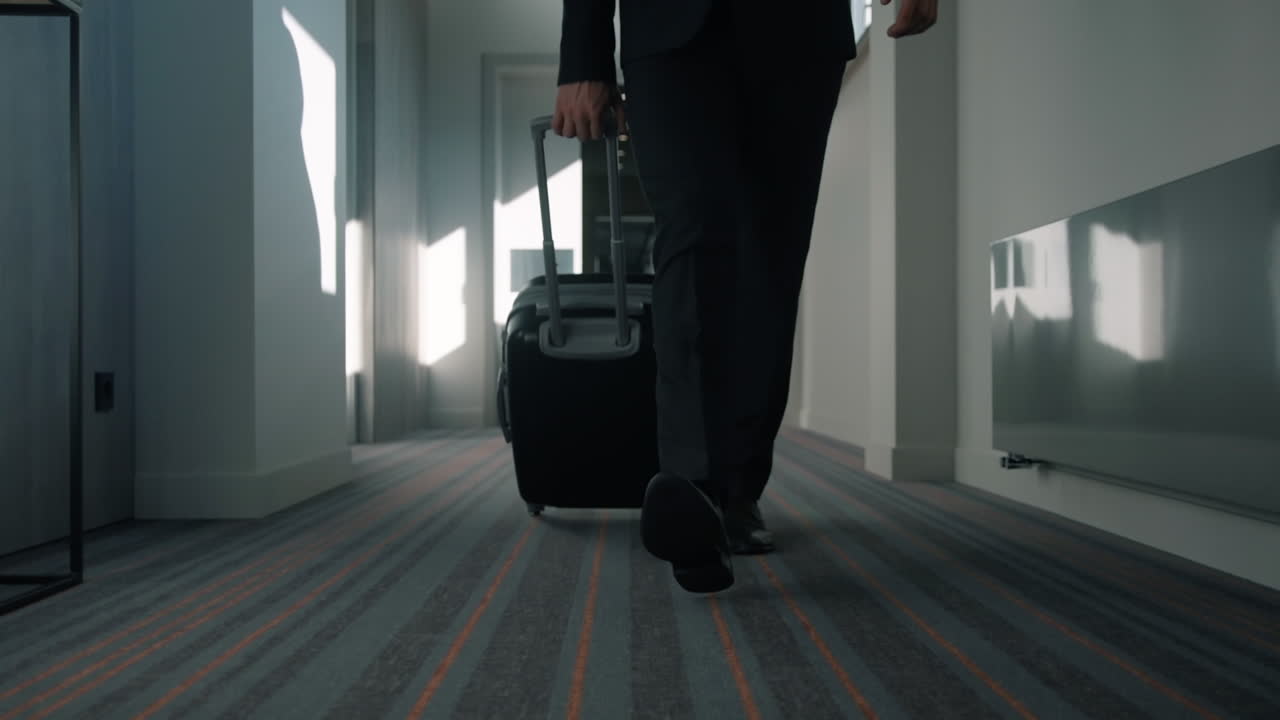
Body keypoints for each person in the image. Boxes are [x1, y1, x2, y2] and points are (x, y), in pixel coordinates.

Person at [553, 0, 939, 593]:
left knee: (771, 253)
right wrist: (584, 54)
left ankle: (735, 490)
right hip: (669, 30)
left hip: (796, 31)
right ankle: (695, 486)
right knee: (691, 234)